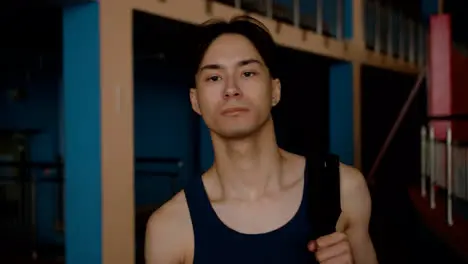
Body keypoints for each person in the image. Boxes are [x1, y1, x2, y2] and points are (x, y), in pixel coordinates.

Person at [145, 15, 378, 264]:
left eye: (247, 73)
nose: (231, 89)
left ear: (275, 90)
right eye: (214, 78)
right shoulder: (169, 228)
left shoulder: (343, 189)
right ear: (195, 100)